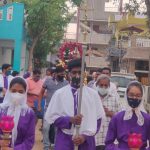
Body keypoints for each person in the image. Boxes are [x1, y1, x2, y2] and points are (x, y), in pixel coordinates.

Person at [45, 58, 105, 150]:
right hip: (65, 140)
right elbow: (53, 119)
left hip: (86, 142)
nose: (77, 75)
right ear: (69, 74)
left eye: (80, 72)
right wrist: (69, 120)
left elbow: (98, 119)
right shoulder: (59, 94)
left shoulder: (93, 95)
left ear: (84, 73)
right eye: (74, 72)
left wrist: (84, 136)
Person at [105, 81, 150, 150]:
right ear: (126, 95)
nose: (134, 98)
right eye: (131, 95)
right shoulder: (117, 118)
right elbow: (108, 143)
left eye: (138, 95)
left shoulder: (147, 119)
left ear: (142, 97)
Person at [0, 77, 35, 150]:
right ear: (9, 91)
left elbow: (29, 140)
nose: (17, 94)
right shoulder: (1, 110)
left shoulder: (29, 113)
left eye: (20, 92)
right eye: (14, 91)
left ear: (25, 93)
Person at [39, 66, 68, 150]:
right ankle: (46, 146)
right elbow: (41, 93)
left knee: (56, 129)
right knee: (45, 128)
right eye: (61, 74)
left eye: (64, 74)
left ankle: (55, 145)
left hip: (59, 109)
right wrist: (39, 105)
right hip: (48, 108)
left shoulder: (66, 83)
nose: (62, 75)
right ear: (55, 73)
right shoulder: (48, 81)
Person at [95, 75, 121, 150]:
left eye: (106, 85)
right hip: (95, 139)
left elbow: (121, 118)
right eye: (101, 85)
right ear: (97, 85)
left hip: (109, 140)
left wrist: (110, 113)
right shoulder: (92, 98)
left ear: (109, 86)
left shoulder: (115, 99)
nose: (103, 87)